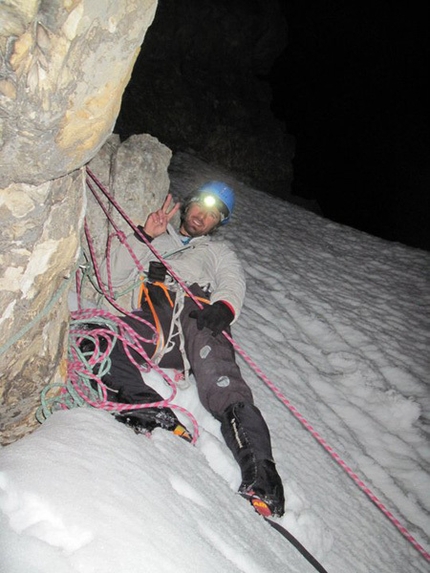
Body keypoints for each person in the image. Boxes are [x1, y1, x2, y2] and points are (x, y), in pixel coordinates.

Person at [97, 181, 285, 518]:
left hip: (198, 318)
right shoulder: (155, 237)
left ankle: (262, 476)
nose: (203, 216)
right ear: (187, 205)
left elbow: (232, 279)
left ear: (218, 225)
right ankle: (142, 405)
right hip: (155, 318)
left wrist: (225, 307)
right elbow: (111, 278)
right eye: (201, 206)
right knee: (100, 335)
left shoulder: (216, 252)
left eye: (213, 215)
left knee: (222, 380)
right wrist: (145, 237)